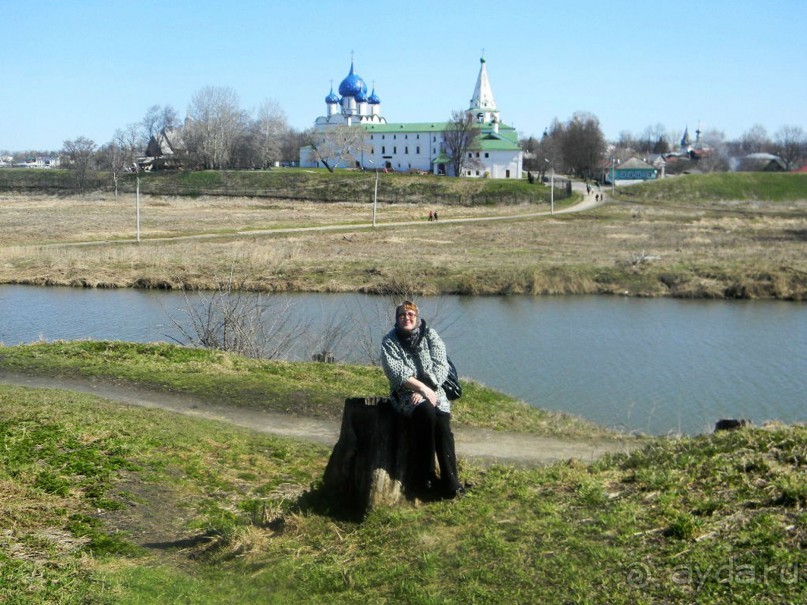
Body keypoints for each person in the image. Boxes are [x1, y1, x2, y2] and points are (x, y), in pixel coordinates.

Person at [381, 300, 464, 499]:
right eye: (402, 315)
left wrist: (429, 388)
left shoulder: (430, 335)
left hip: (435, 389)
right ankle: (424, 477)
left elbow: (441, 364)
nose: (406, 318)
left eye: (410, 315)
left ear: (416, 317)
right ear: (397, 318)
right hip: (407, 392)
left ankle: (451, 482)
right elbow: (396, 373)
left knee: (442, 424)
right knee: (425, 414)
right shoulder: (389, 341)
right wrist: (421, 389)